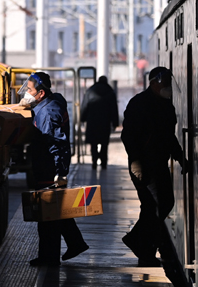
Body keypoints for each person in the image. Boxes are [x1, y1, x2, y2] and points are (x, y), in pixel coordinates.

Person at [121, 67, 190, 286]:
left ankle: (137, 241)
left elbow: (169, 136)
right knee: (155, 206)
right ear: (154, 82)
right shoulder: (138, 103)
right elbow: (128, 136)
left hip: (159, 163)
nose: (168, 87)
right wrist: (136, 163)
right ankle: (145, 251)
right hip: (142, 165)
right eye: (165, 82)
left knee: (164, 204)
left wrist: (180, 157)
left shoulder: (166, 106)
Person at [22, 71, 89, 267]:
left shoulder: (47, 113)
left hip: (48, 167)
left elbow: (56, 142)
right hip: (47, 166)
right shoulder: (47, 104)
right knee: (55, 210)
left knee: (47, 216)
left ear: (41, 93)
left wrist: (59, 171)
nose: (27, 92)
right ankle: (75, 243)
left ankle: (49, 258)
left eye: (30, 89)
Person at [80, 76, 119, 168]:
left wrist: (82, 119)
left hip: (92, 121)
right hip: (105, 122)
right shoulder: (110, 92)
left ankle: (94, 161)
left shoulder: (90, 91)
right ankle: (103, 162)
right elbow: (114, 109)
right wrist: (115, 123)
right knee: (104, 143)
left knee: (93, 142)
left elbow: (85, 106)